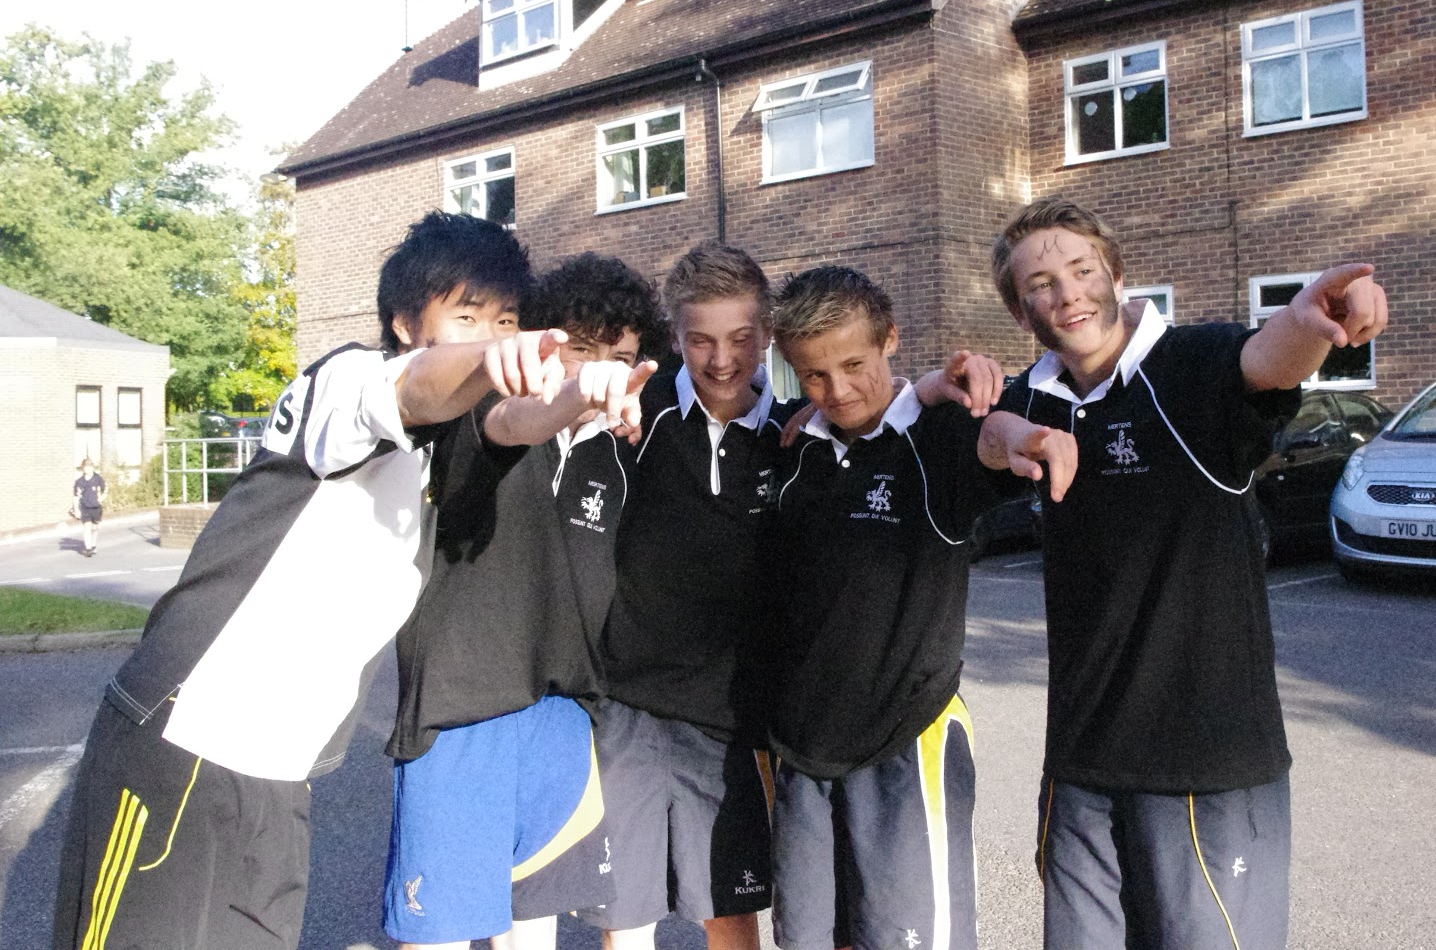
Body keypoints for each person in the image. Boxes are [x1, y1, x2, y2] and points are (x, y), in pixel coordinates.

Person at [51, 210, 591, 950]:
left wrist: (579, 396)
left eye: (506, 320)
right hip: (188, 738)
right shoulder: (347, 383)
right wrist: (495, 357)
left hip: (282, 772)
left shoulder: (438, 450)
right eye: (467, 317)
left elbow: (512, 423)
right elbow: (417, 386)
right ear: (405, 322)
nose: (493, 336)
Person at [977, 195, 1387, 950]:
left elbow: (1266, 360)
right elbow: (979, 430)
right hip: (1081, 765)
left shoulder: (1194, 363)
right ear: (1019, 309)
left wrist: (1312, 319)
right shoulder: (1034, 396)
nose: (1067, 294)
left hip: (1207, 763)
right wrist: (1005, 430)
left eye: (1082, 270)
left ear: (1116, 274)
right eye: (1041, 284)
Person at [383, 252, 663, 950]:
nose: (600, 370)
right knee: (441, 932)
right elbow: (517, 421)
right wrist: (573, 396)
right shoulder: (478, 412)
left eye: (619, 358)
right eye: (582, 349)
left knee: (532, 929)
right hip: (461, 709)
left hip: (562, 713)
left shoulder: (622, 450)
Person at [763, 265, 1025, 950]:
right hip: (802, 747)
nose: (837, 390)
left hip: (906, 739)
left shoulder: (939, 441)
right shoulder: (793, 451)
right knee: (810, 939)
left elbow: (999, 436)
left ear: (890, 340)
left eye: (854, 364)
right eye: (814, 375)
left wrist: (990, 409)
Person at [581, 244, 795, 950]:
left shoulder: (796, 435)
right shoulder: (634, 416)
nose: (722, 359)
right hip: (627, 707)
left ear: (766, 332)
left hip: (733, 720)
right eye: (701, 339)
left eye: (740, 337)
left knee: (728, 913)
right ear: (675, 336)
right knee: (625, 913)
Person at [72, 458, 106, 557]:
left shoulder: (98, 479)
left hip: (96, 507)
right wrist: (76, 509)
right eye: (86, 467)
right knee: (87, 527)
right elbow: (76, 496)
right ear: (83, 468)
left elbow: (105, 489)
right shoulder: (79, 482)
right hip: (85, 507)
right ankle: (88, 548)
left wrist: (101, 499)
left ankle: (93, 544)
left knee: (94, 528)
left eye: (90, 467)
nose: (88, 469)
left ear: (93, 468)